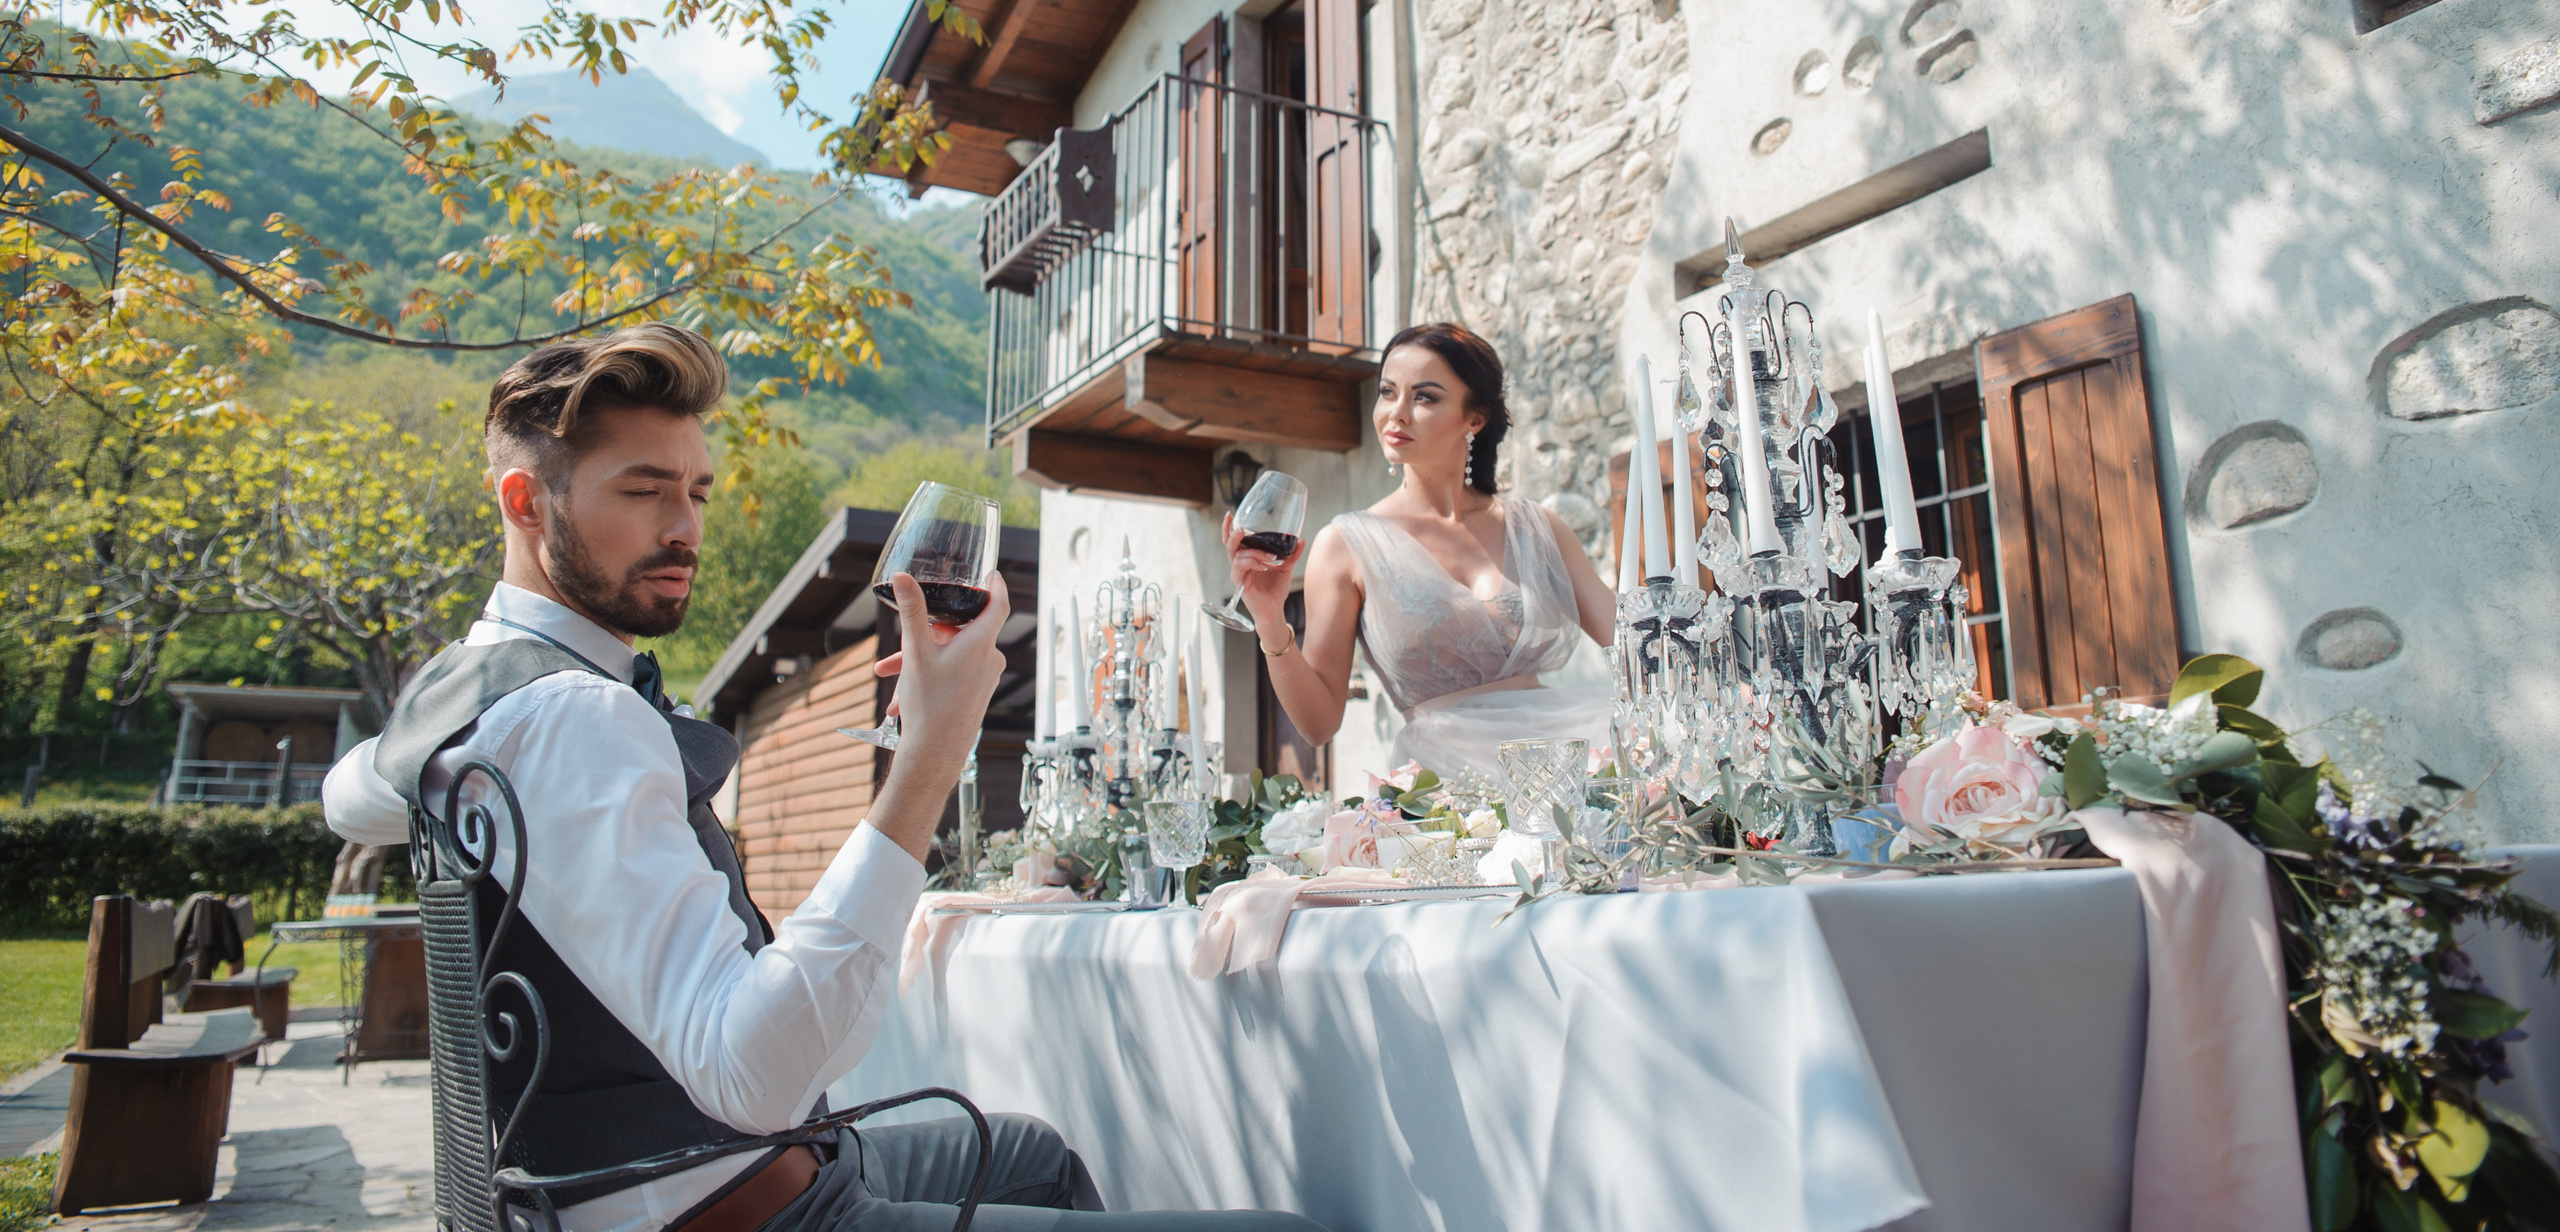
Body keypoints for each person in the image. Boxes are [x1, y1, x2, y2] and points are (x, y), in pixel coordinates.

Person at [324, 324, 1324, 1232]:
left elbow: (351, 794)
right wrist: (932, 754)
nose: (685, 527)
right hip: (736, 1203)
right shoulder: (577, 716)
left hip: (660, 1177)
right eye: (643, 490)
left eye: (697, 491)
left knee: (1032, 1154)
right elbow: (750, 1072)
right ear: (525, 502)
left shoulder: (472, 695)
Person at [1221, 323, 1618, 782]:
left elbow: (1634, 650)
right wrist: (1270, 621)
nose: (1397, 413)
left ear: (1475, 418)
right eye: (1388, 392)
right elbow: (1318, 725)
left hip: (1561, 774)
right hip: (1446, 798)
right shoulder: (1346, 545)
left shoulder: (1539, 529)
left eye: (1424, 397)